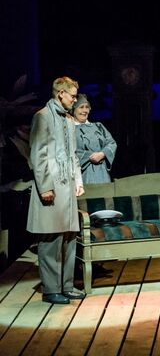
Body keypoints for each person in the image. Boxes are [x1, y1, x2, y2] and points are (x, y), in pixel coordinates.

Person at [27, 76, 86, 304]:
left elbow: (73, 155)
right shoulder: (42, 116)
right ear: (60, 93)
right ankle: (51, 289)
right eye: (72, 96)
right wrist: (45, 187)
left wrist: (78, 181)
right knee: (51, 237)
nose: (74, 100)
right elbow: (38, 154)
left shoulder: (69, 120)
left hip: (67, 185)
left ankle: (66, 286)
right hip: (51, 185)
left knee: (69, 237)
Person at [70, 94, 117, 184]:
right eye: (81, 107)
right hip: (83, 175)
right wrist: (90, 156)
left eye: (87, 107)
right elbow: (70, 151)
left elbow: (111, 143)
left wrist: (102, 154)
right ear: (74, 109)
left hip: (102, 174)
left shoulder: (98, 126)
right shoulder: (70, 129)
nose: (85, 110)